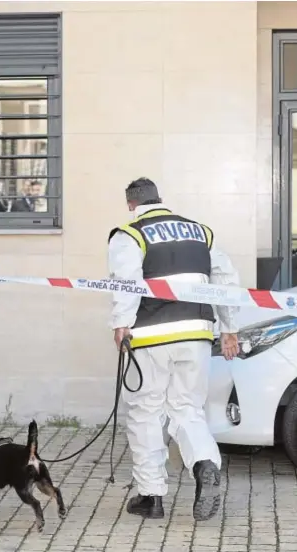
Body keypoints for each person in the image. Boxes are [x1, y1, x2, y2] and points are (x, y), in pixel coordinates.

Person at [107, 177, 241, 522]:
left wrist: (121, 324)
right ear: (160, 200)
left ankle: (151, 498)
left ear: (131, 204)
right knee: (187, 409)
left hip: (151, 335)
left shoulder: (131, 233)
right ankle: (205, 464)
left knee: (146, 412)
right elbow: (225, 280)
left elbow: (126, 281)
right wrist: (229, 329)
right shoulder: (200, 232)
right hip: (196, 333)